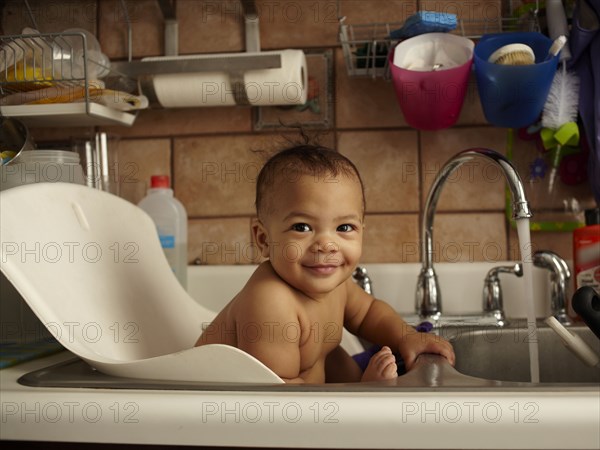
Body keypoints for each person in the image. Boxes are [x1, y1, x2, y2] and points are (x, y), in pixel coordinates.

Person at [196, 144, 455, 383]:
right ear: (263, 239)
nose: (326, 245)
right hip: (218, 423)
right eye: (302, 227)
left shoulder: (334, 283)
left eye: (344, 227)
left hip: (304, 407)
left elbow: (368, 314)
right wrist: (364, 394)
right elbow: (275, 405)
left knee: (330, 355)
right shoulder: (271, 302)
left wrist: (407, 337)